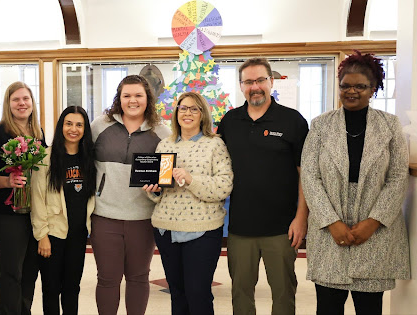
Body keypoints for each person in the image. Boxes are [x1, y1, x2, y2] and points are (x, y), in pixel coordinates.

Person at [301, 51, 410, 315]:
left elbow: (397, 177)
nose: (352, 91)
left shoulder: (390, 125)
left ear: (372, 89)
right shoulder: (320, 125)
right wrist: (332, 222)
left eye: (360, 86)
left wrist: (373, 222)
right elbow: (310, 176)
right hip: (329, 231)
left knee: (370, 308)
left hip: (375, 231)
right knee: (328, 306)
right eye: (345, 85)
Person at [217, 58, 309, 315]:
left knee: (283, 293)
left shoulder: (293, 121)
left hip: (282, 228)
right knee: (241, 293)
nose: (254, 87)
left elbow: (306, 174)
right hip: (239, 228)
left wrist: (302, 217)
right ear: (240, 85)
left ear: (271, 81)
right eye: (248, 82)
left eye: (260, 80)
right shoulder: (230, 121)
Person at [143, 92, 233, 315]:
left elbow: (224, 186)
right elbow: (160, 191)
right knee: (178, 293)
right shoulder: (164, 145)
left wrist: (191, 179)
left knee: (198, 293)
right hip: (166, 229)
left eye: (194, 109)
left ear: (203, 114)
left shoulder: (215, 145)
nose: (188, 113)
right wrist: (153, 190)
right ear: (176, 113)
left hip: (202, 230)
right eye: (183, 108)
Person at [90, 74, 171, 315]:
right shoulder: (99, 126)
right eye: (127, 95)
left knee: (138, 277)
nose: (132, 101)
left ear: (148, 99)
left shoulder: (162, 132)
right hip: (105, 215)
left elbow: (165, 179)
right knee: (107, 278)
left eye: (138, 95)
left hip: (143, 218)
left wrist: (160, 186)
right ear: (119, 98)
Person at [0, 81, 43, 314]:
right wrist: (8, 182)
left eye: (25, 99)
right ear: (8, 104)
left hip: (34, 212)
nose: (21, 103)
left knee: (30, 271)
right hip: (7, 214)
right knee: (11, 273)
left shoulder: (38, 134)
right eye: (16, 99)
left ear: (32, 103)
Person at [31, 106, 96, 315]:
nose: (73, 129)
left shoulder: (89, 159)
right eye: (69, 124)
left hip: (77, 235)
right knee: (51, 289)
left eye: (79, 124)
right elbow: (37, 198)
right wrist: (42, 236)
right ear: (61, 126)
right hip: (52, 234)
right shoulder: (46, 158)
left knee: (72, 288)